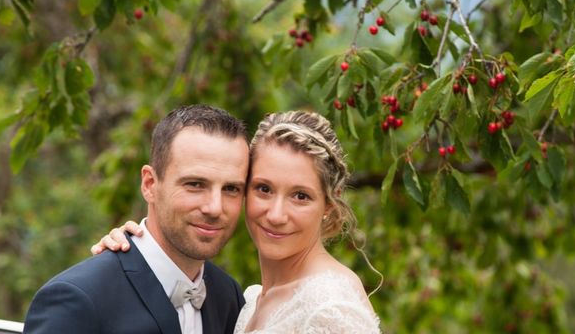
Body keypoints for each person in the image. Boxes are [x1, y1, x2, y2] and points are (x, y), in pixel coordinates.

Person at [96, 110, 382, 333]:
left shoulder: (332, 307)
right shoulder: (246, 299)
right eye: (264, 189)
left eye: (300, 196)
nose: (276, 215)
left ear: (329, 206)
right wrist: (137, 253)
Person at [23, 105, 251, 334]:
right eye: (195, 184)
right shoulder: (78, 299)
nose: (214, 207)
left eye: (231, 188)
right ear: (150, 184)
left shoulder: (228, 295)